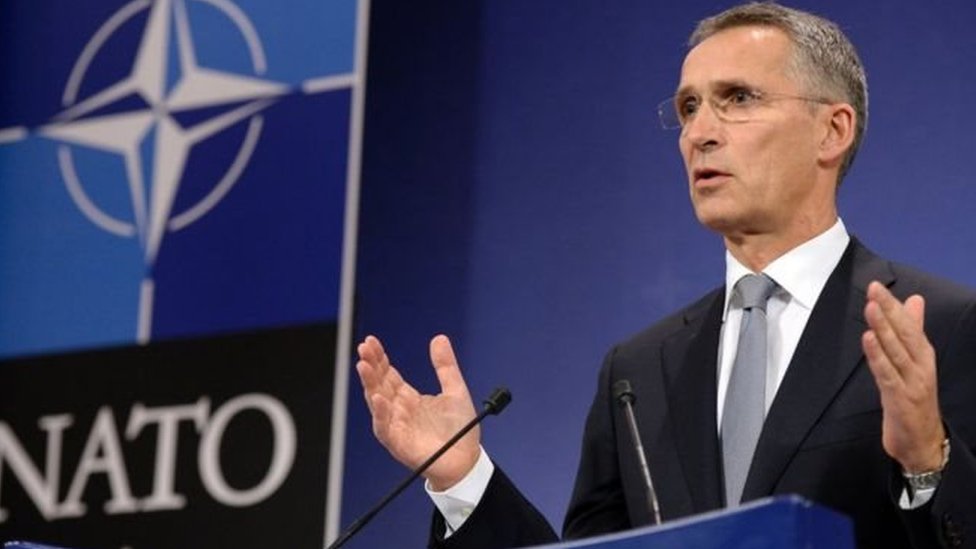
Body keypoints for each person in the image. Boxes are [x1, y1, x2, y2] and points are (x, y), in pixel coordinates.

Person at [355, 3, 976, 548]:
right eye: (688, 107)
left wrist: (927, 461)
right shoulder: (638, 371)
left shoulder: (942, 329)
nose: (699, 133)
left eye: (738, 99)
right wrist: (464, 481)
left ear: (832, 130)